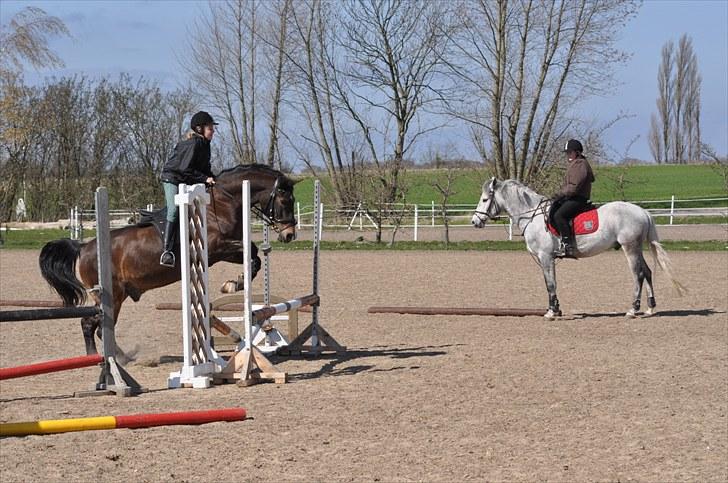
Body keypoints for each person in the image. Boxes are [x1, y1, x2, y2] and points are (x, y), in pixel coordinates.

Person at [159, 111, 218, 267]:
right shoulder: (193, 144)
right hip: (172, 178)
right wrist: (205, 179)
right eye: (210, 128)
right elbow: (186, 169)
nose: (213, 131)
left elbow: (205, 169)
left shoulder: (205, 145)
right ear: (199, 129)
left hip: (185, 179)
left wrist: (214, 179)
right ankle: (167, 251)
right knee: (173, 210)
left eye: (213, 128)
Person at [552, 139, 595, 258]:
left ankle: (568, 246)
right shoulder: (575, 164)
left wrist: (559, 194)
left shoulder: (580, 164)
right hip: (573, 197)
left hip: (578, 199)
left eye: (570, 152)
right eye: (567, 153)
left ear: (577, 153)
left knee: (559, 215)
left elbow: (573, 187)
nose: (568, 155)